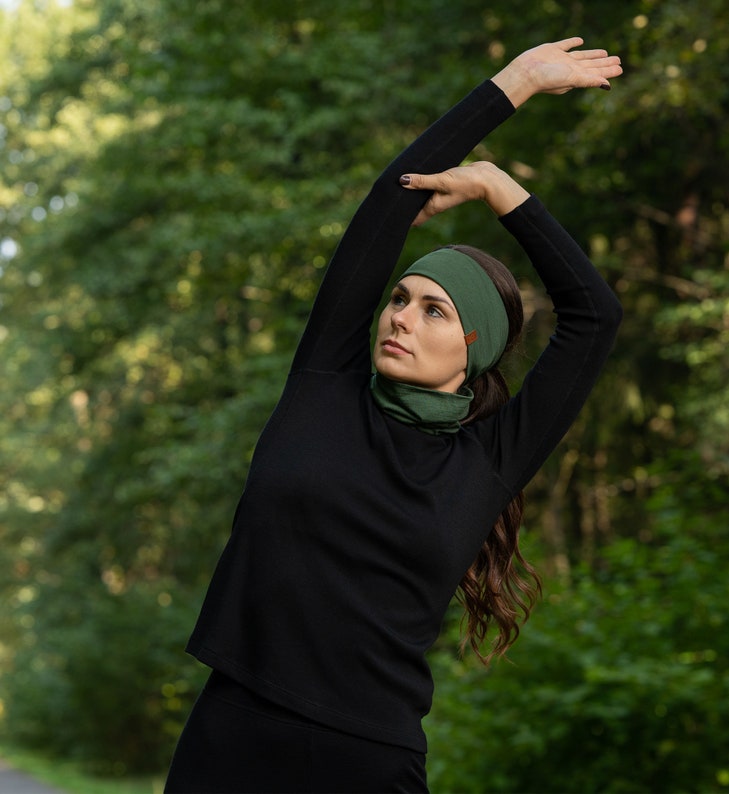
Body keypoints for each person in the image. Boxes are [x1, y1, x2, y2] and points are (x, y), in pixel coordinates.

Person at [164, 36, 623, 794]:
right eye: (399, 298)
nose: (400, 317)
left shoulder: (488, 459)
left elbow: (594, 316)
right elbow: (393, 194)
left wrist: (499, 189)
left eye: (434, 309)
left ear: (474, 349)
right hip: (231, 738)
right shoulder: (324, 384)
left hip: (369, 762)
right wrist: (515, 83)